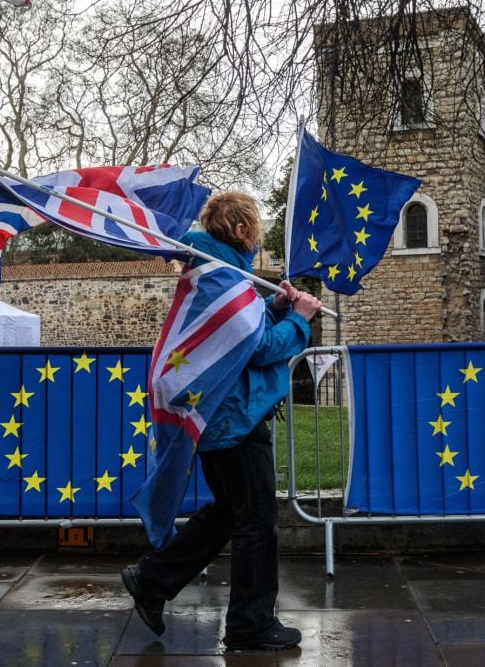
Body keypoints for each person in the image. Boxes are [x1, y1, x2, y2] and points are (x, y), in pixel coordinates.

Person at [121, 191, 322, 651]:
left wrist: (274, 310)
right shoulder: (225, 279)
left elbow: (245, 335)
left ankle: (152, 578)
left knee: (232, 512)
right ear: (239, 231)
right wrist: (301, 319)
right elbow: (264, 348)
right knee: (257, 518)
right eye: (255, 230)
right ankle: (250, 625)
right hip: (234, 418)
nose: (257, 240)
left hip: (221, 415)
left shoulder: (220, 275)